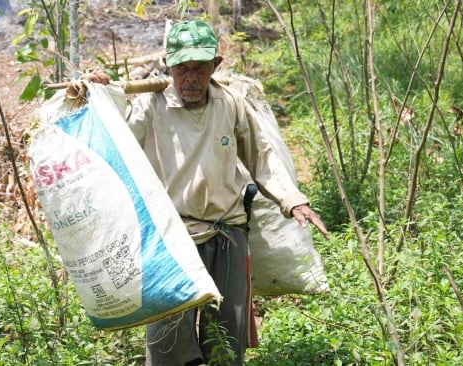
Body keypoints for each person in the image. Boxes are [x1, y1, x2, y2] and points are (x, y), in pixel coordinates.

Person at [91, 19, 329, 366]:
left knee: (226, 342)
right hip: (170, 239)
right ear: (168, 67)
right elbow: (114, 143)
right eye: (182, 68)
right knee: (167, 345)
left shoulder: (230, 103)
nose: (190, 78)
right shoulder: (149, 107)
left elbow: (261, 157)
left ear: (215, 66)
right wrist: (102, 93)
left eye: (199, 68)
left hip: (227, 233)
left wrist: (293, 201)